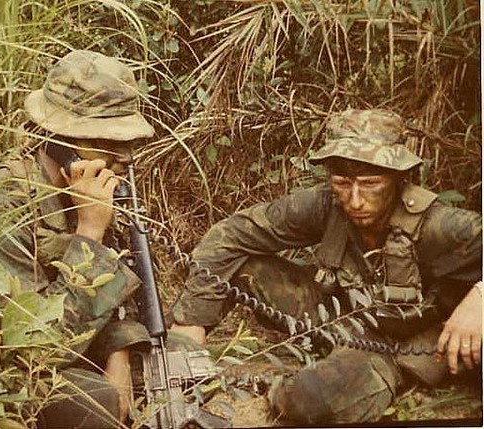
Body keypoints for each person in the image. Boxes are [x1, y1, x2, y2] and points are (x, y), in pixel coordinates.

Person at [169, 109, 482, 424]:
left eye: (371, 183)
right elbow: (231, 233)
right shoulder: (325, 204)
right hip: (334, 316)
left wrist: (479, 299)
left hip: (394, 346)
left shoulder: (441, 224)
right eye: (342, 182)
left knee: (304, 399)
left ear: (400, 178)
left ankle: (281, 385)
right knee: (244, 265)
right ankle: (179, 367)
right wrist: (192, 321)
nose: (355, 200)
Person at [0, 50, 156, 428]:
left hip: (76, 341)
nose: (127, 157)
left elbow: (117, 293)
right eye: (108, 140)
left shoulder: (86, 185)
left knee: (172, 365)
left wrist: (119, 353)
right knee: (97, 404)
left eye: (129, 142)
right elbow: (33, 348)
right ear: (60, 141)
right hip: (2, 370)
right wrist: (90, 231)